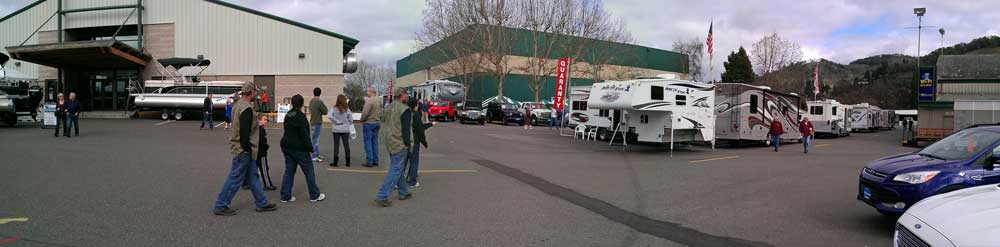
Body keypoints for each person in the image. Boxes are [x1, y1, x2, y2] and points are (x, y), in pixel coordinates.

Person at [212, 82, 277, 216]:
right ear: (252, 92)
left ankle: (261, 203)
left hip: (244, 149)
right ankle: (220, 204)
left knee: (253, 176)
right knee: (235, 178)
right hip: (244, 150)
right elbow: (244, 133)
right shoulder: (246, 108)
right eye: (255, 92)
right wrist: (246, 149)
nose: (256, 94)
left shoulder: (238, 104)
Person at [279, 94, 326, 203]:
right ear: (301, 104)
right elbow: (305, 135)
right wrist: (310, 149)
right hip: (299, 148)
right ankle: (314, 195)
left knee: (289, 170)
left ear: (292, 103)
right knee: (309, 170)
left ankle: (285, 195)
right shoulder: (301, 117)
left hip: (286, 145)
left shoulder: (288, 115)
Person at [374, 88, 413, 207]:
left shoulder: (388, 107)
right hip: (400, 143)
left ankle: (404, 191)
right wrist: (409, 145)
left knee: (397, 168)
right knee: (396, 169)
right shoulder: (405, 110)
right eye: (406, 94)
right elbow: (406, 130)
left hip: (390, 141)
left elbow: (383, 120)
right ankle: (382, 195)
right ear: (402, 95)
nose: (407, 96)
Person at [406, 99, 435, 188]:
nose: (418, 106)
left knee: (404, 162)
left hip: (405, 140)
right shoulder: (416, 116)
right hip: (414, 141)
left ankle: (399, 181)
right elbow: (420, 130)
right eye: (417, 105)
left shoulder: (405, 114)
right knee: (414, 161)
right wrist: (424, 143)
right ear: (415, 106)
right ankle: (413, 181)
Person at [243, 114, 277, 190]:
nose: (266, 121)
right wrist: (266, 147)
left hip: (254, 152)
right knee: (264, 168)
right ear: (258, 121)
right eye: (264, 120)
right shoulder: (261, 130)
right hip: (261, 153)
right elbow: (261, 142)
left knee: (252, 168)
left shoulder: (254, 129)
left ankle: (246, 182)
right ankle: (267, 184)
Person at [359, 88, 383, 167]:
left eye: (368, 91)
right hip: (377, 122)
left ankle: (369, 161)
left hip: (369, 123)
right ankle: (376, 160)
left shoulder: (369, 101)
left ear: (371, 92)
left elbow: (365, 113)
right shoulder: (379, 100)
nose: (367, 92)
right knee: (375, 142)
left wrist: (362, 120)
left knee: (368, 142)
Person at [328, 94, 353, 167]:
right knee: (346, 145)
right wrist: (346, 122)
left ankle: (335, 162)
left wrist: (336, 121)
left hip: (336, 129)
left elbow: (329, 116)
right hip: (345, 129)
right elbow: (351, 120)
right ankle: (348, 162)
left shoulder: (334, 108)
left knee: (336, 146)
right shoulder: (347, 109)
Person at [309, 88, 328, 163]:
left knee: (315, 138)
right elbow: (325, 111)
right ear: (320, 93)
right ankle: (314, 156)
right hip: (317, 122)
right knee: (315, 140)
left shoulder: (311, 101)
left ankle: (317, 153)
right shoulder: (319, 102)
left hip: (313, 121)